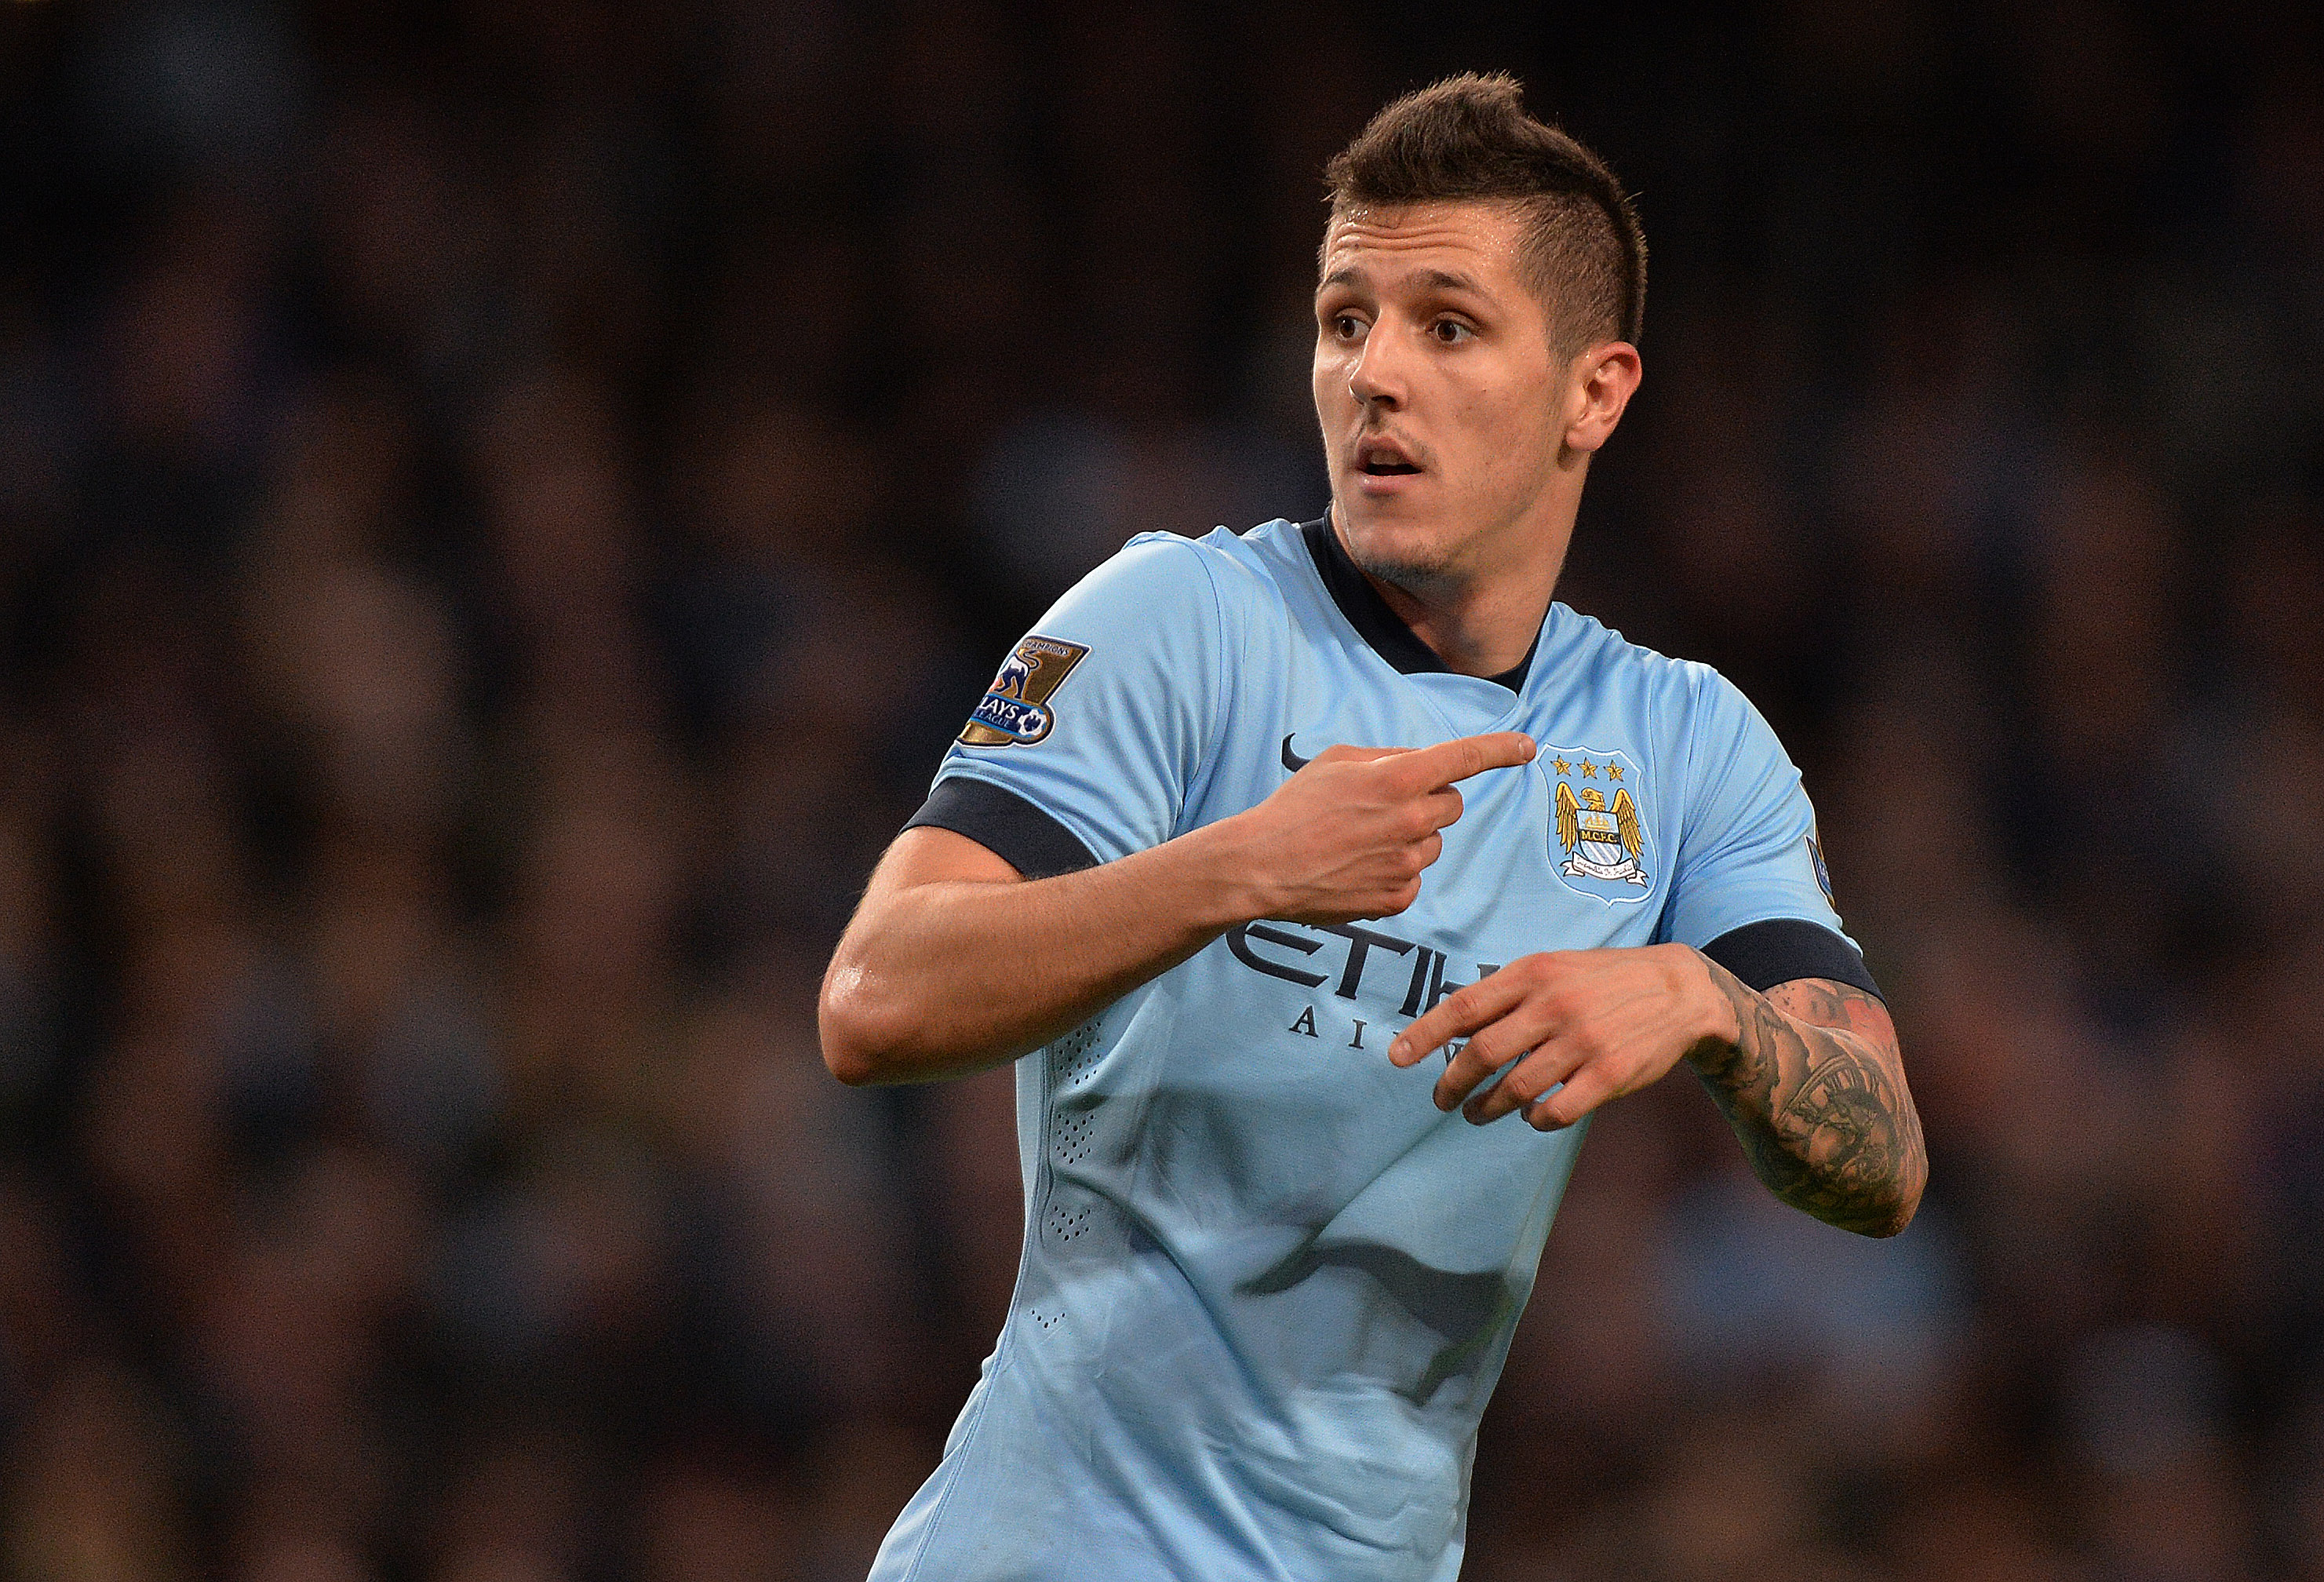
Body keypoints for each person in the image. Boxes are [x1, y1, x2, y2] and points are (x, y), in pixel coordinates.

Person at [821, 71, 1925, 1582]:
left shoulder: (1681, 744)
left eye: (1446, 326)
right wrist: (1240, 867)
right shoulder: (1179, 622)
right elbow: (875, 998)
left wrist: (1712, 1006)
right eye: (1346, 320)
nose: (1373, 375)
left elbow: (1881, 1162)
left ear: (1594, 393)